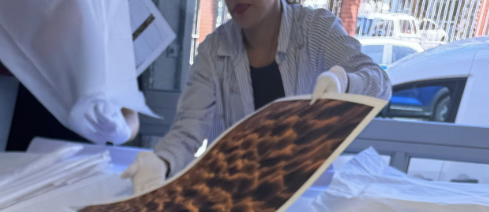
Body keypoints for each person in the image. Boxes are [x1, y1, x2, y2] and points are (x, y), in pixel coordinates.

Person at [122, 0, 392, 195]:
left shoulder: (315, 28)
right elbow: (188, 131)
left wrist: (344, 81)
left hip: (305, 193)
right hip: (236, 195)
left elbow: (379, 82)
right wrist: (162, 161)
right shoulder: (213, 51)